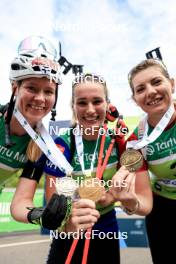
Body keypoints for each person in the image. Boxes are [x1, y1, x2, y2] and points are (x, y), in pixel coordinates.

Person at [44, 73, 153, 264]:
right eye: (82, 103)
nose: (90, 110)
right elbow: (52, 198)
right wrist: (71, 214)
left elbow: (133, 172)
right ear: (73, 106)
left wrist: (111, 196)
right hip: (71, 227)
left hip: (106, 227)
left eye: (97, 101)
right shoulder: (62, 144)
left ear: (107, 104)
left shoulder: (117, 141)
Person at [10, 37, 100, 232]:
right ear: (14, 88)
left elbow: (20, 203)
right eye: (31, 88)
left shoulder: (43, 144)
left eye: (49, 91)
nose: (40, 98)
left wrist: (40, 215)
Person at [127, 58, 176, 264]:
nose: (150, 91)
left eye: (156, 82)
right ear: (135, 98)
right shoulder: (135, 141)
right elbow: (144, 204)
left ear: (172, 84)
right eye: (140, 89)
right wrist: (130, 202)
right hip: (163, 211)